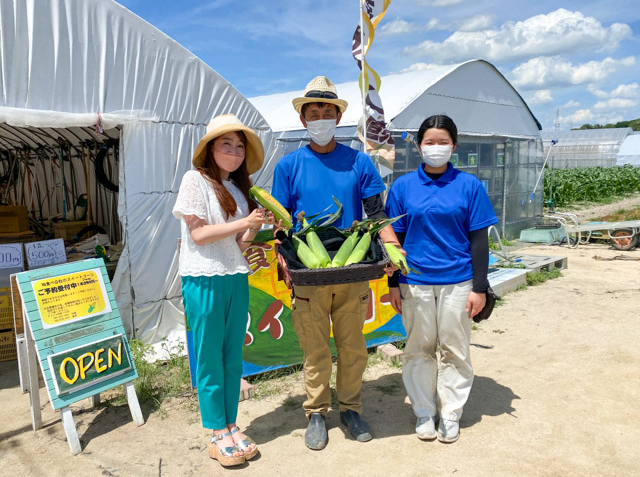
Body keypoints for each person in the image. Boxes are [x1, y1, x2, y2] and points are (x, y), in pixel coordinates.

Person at [271, 76, 401, 450]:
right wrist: (281, 257)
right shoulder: (288, 165)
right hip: (308, 270)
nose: (321, 118)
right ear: (303, 120)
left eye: (328, 111)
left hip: (352, 266)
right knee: (314, 350)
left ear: (338, 116)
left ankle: (350, 408)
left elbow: (377, 214)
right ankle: (315, 412)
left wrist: (391, 251)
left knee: (353, 346)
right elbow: (281, 221)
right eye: (314, 112)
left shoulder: (359, 162)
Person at [385, 114, 498, 444]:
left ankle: (450, 412)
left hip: (458, 281)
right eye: (429, 142)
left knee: (455, 349)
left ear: (454, 146)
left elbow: (479, 240)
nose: (436, 148)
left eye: (443, 142)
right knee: (418, 348)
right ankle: (423, 410)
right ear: (419, 146)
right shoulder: (403, 186)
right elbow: (395, 240)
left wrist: (479, 287)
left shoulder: (469, 185)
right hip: (414, 282)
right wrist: (393, 285)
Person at [173, 114, 272, 467]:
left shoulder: (239, 190)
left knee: (233, 355)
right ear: (210, 149)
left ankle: (232, 423)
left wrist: (254, 226)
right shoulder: (194, 180)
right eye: (226, 144)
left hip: (235, 275)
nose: (233, 151)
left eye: (239, 146)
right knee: (210, 355)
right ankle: (216, 431)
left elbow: (239, 245)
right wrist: (243, 222)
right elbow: (198, 235)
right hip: (202, 277)